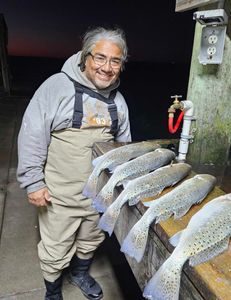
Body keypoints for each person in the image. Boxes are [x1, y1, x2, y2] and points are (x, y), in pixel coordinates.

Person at [17, 27, 131, 300]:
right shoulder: (57, 86)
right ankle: (53, 291)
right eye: (100, 58)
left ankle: (80, 273)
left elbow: (124, 147)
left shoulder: (119, 101)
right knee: (55, 247)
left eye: (115, 61)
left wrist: (120, 186)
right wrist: (33, 181)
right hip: (59, 195)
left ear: (121, 65)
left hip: (97, 196)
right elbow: (32, 133)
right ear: (85, 57)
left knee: (92, 238)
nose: (107, 67)